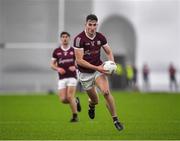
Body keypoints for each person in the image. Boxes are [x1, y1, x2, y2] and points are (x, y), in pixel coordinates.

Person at [73, 14, 123, 131]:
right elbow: (79, 61)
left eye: (94, 25)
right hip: (85, 74)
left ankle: (115, 119)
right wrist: (97, 68)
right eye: (90, 25)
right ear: (85, 25)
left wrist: (112, 64)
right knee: (95, 100)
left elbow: (109, 51)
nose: (92, 27)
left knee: (106, 92)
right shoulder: (79, 39)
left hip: (98, 70)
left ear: (97, 25)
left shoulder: (100, 37)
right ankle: (91, 106)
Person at [51, 31, 81, 122]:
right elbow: (52, 65)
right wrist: (58, 69)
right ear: (61, 39)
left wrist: (75, 66)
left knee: (69, 96)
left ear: (69, 38)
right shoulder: (57, 51)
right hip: (62, 78)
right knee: (63, 99)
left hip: (72, 77)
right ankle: (76, 101)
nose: (65, 38)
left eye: (66, 37)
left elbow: (80, 62)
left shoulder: (73, 50)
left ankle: (75, 116)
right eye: (63, 37)